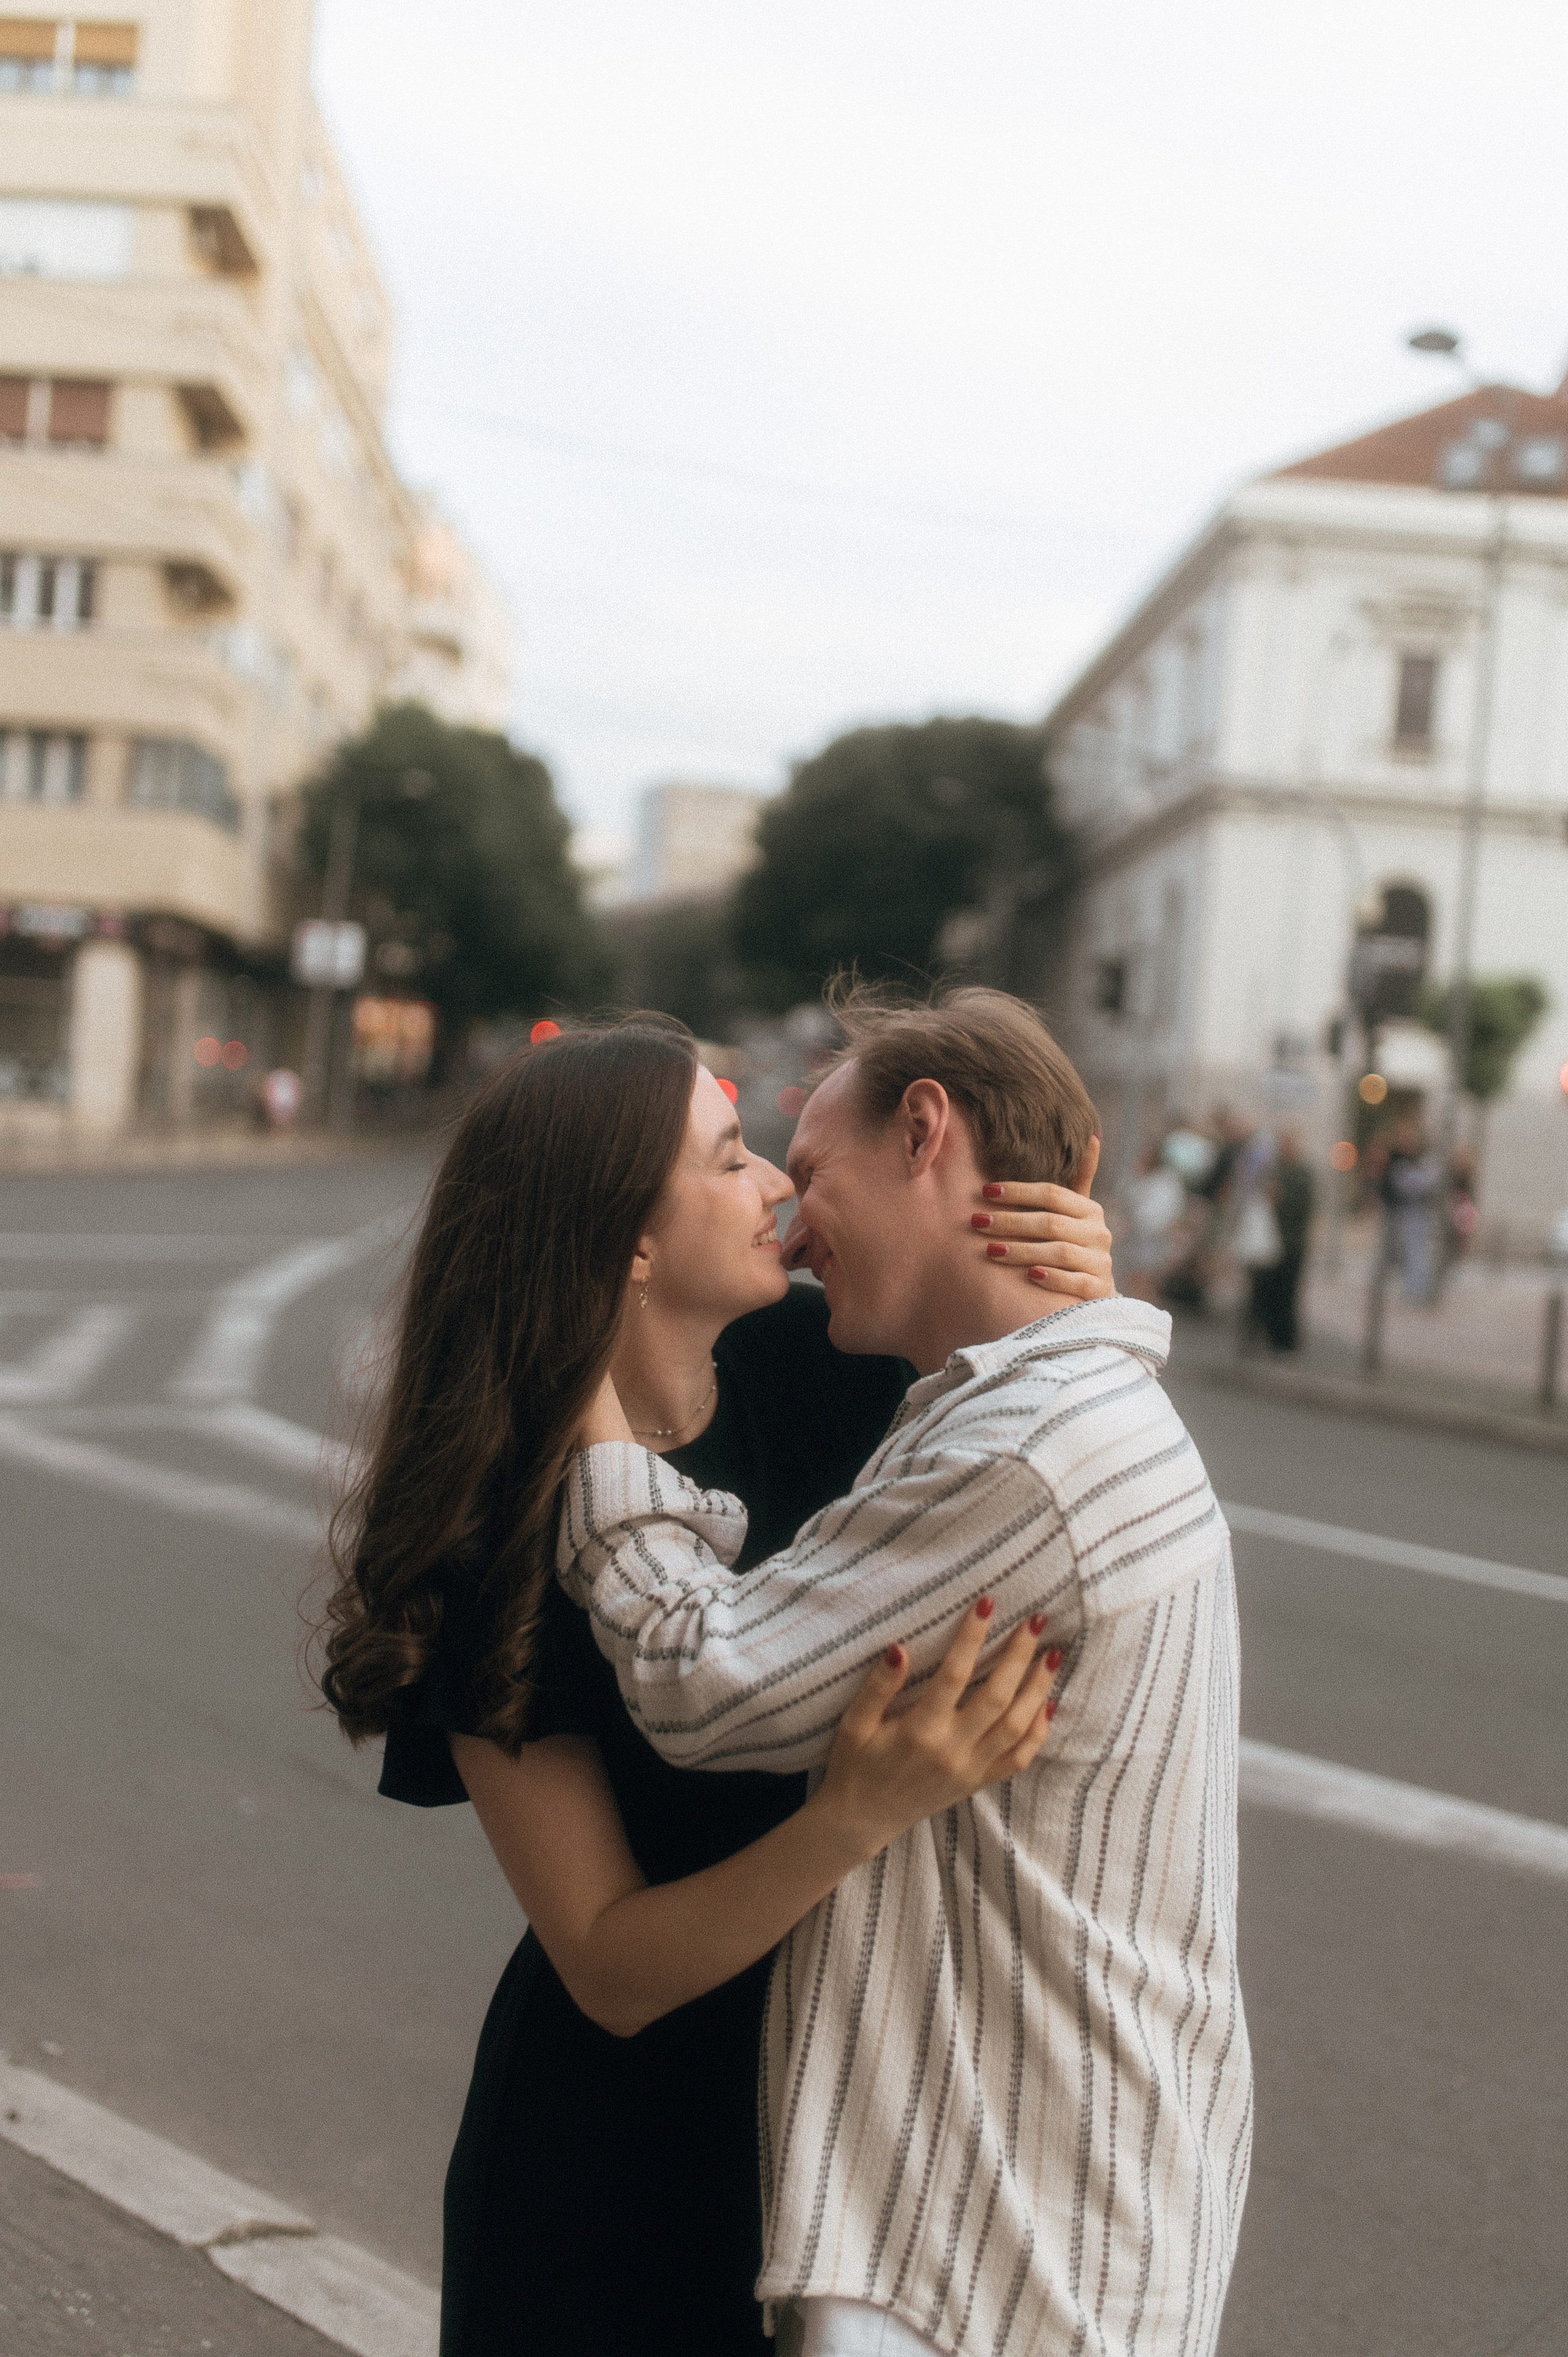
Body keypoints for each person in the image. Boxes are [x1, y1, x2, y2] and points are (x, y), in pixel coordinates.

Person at [312, 1015, 1116, 2355]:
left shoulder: (828, 1370)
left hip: (865, 2110)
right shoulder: (498, 1528)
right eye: (731, 1156)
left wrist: (1065, 1288)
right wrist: (847, 1818)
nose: (778, 1188)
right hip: (620, 2173)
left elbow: (1057, 1443)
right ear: (629, 1237)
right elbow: (608, 1964)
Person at [562, 983, 1252, 2357]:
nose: (785, 1209)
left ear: (924, 1130)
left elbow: (705, 1681)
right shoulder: (1020, 1399)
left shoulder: (1023, 1447)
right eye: (736, 1165)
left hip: (991, 2247)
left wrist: (587, 1435)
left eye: (804, 1167)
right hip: (1021, 2213)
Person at [1248, 1125, 1314, 1352]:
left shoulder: (1303, 1173)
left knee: (1287, 1292)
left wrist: (1281, 1198)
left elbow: (1304, 1205)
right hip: (1272, 1240)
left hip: (1292, 1241)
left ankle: (1285, 1340)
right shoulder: (1276, 1171)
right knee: (1268, 1290)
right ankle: (1267, 1334)